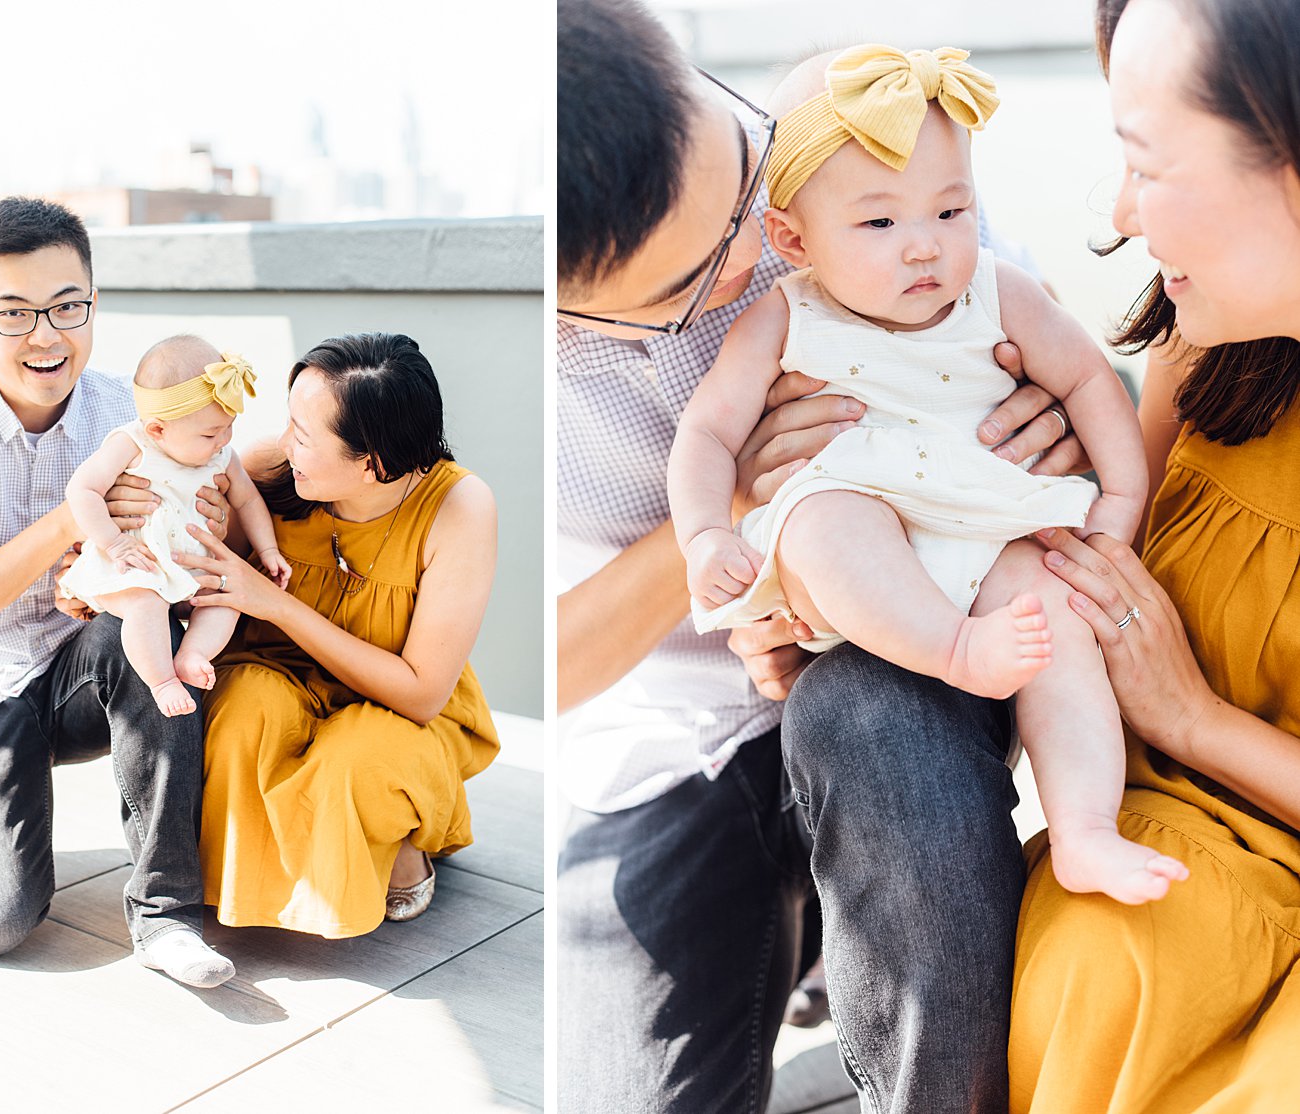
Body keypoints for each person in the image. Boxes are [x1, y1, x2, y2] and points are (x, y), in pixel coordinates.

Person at [556, 1, 1084, 1108]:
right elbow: (547, 667)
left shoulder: (834, 136)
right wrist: (738, 509)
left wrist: (1051, 426)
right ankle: (798, 933)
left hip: (909, 658)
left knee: (873, 725)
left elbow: (1034, 358)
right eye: (690, 282)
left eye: (749, 178)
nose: (762, 246)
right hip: (673, 741)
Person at [670, 46, 1182, 905]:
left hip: (988, 525)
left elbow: (1089, 377)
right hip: (866, 538)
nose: (926, 250)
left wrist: (1122, 498)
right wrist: (704, 534)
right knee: (824, 519)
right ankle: (953, 651)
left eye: (951, 210)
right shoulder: (783, 312)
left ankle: (1086, 829)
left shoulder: (999, 289)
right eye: (879, 224)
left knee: (1060, 624)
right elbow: (706, 433)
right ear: (793, 237)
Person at [1009, 0, 1300, 1108]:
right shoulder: (1210, 342)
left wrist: (1193, 717)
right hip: (1184, 825)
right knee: (1103, 961)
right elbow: (1084, 569)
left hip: (1212, 762)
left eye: (1146, 162)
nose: (1123, 214)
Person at [0, 196, 237, 989]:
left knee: (152, 623)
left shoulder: (130, 415)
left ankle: (167, 914)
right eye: (15, 312)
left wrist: (212, 518)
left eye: (67, 306)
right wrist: (73, 520)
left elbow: (215, 493)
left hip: (87, 666)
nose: (46, 334)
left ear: (94, 302)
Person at [168, 333, 501, 937]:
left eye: (304, 434)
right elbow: (200, 573)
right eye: (288, 420)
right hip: (275, 673)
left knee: (358, 760)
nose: (282, 441)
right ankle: (265, 884)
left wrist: (278, 604)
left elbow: (422, 692)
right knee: (243, 716)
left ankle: (394, 843)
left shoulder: (459, 507)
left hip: (398, 702)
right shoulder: (268, 468)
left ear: (371, 462)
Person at [61, 336, 288, 718]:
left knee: (227, 596)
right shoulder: (132, 444)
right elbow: (81, 489)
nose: (224, 441)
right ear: (158, 431)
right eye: (210, 433)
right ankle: (162, 680)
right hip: (138, 567)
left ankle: (193, 653)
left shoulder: (222, 455)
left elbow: (247, 500)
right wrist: (113, 543)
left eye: (229, 427)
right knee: (145, 607)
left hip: (189, 566)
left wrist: (267, 551)